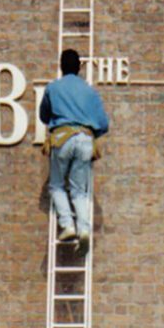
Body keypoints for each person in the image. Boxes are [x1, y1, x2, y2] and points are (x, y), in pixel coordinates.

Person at [40, 49, 109, 253]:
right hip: (86, 139)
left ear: (61, 66)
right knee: (79, 190)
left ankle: (68, 225)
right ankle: (84, 229)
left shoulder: (53, 88)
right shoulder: (90, 91)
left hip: (62, 138)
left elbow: (44, 115)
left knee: (56, 185)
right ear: (79, 68)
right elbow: (104, 124)